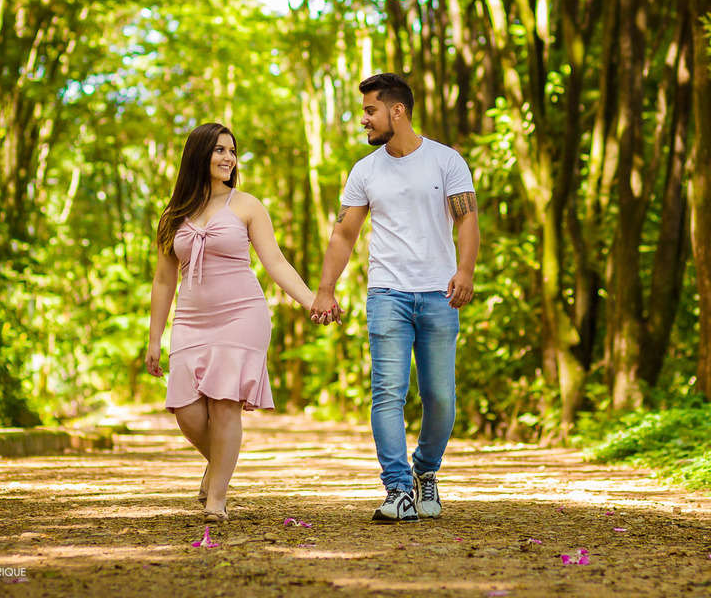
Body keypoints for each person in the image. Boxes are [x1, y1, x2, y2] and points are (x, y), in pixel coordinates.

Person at [310, 73, 479, 523]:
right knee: (388, 392)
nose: (363, 119)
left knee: (441, 397)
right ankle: (399, 489)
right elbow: (344, 233)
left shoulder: (446, 161)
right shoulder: (365, 171)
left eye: (370, 110)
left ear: (396, 111)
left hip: (439, 293)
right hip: (387, 293)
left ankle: (425, 472)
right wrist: (325, 287)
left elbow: (466, 220)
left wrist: (465, 270)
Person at [146, 122, 318, 524]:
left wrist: (312, 301)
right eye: (219, 150)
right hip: (190, 319)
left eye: (232, 151)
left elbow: (275, 262)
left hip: (243, 314)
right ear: (198, 155)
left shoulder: (246, 205)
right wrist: (155, 337)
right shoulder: (173, 215)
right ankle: (218, 464)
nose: (228, 158)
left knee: (225, 406)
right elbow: (163, 279)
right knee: (187, 413)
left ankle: (216, 500)